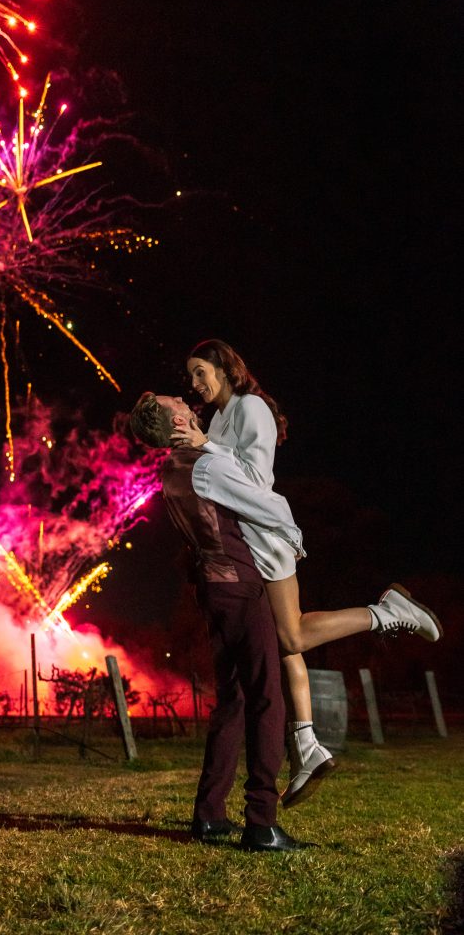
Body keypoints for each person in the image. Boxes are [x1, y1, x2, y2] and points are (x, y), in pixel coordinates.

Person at [173, 338, 442, 807]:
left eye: (200, 372)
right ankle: (306, 745)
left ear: (224, 367)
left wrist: (205, 446)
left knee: (292, 638)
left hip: (266, 537)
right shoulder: (217, 418)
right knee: (278, 642)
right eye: (190, 376)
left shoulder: (250, 407)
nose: (194, 383)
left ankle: (384, 613)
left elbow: (255, 481)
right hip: (246, 544)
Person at [130, 391, 306, 851]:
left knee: (233, 698)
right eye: (178, 403)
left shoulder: (170, 469)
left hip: (210, 588)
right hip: (240, 586)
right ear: (176, 422)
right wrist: (293, 536)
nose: (186, 400)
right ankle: (262, 821)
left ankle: (209, 814)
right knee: (268, 696)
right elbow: (269, 506)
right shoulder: (206, 465)